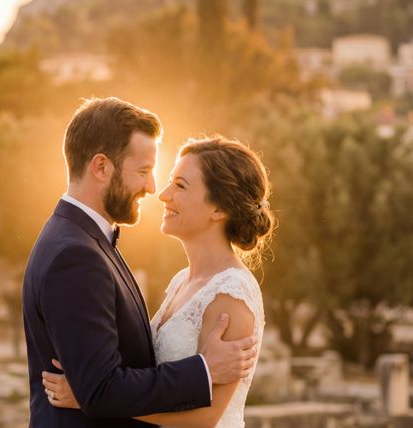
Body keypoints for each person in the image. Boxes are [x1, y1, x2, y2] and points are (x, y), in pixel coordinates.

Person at [22, 98, 258, 427]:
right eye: (144, 171)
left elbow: (106, 386)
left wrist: (89, 396)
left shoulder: (84, 241)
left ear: (219, 209)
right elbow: (102, 387)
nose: (154, 189)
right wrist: (201, 371)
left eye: (178, 184)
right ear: (101, 167)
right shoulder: (76, 255)